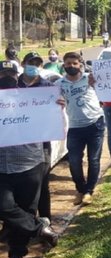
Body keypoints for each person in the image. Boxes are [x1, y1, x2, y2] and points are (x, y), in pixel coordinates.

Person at [0, 60, 59, 258]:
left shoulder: (35, 99)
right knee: (5, 207)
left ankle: (16, 255)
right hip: (1, 168)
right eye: (3, 73)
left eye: (10, 73)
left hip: (29, 163)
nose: (7, 76)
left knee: (26, 209)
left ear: (17, 76)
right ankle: (39, 227)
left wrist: (56, 108)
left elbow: (52, 125)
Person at [56, 52, 105, 206]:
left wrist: (98, 83)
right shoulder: (59, 84)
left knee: (94, 159)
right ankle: (80, 189)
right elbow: (51, 101)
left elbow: (107, 91)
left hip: (95, 124)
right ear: (64, 65)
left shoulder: (90, 78)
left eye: (74, 63)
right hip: (75, 127)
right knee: (74, 161)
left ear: (80, 64)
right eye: (68, 63)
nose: (71, 66)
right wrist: (57, 102)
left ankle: (89, 191)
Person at [19, 52, 55, 221]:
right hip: (14, 143)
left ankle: (45, 222)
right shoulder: (11, 83)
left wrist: (60, 104)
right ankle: (20, 224)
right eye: (30, 62)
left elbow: (57, 110)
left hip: (41, 143)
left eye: (37, 63)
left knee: (41, 182)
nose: (34, 66)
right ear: (23, 63)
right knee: (15, 184)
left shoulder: (47, 87)